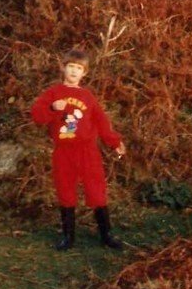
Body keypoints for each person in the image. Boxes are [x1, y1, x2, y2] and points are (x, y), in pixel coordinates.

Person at [31, 48, 126, 250]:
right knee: (65, 190)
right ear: (63, 68)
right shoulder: (53, 93)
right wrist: (52, 108)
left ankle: (106, 234)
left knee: (96, 189)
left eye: (79, 68)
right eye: (71, 67)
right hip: (63, 150)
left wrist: (114, 141)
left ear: (84, 73)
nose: (74, 71)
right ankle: (68, 237)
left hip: (87, 150)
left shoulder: (87, 97)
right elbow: (37, 116)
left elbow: (101, 122)